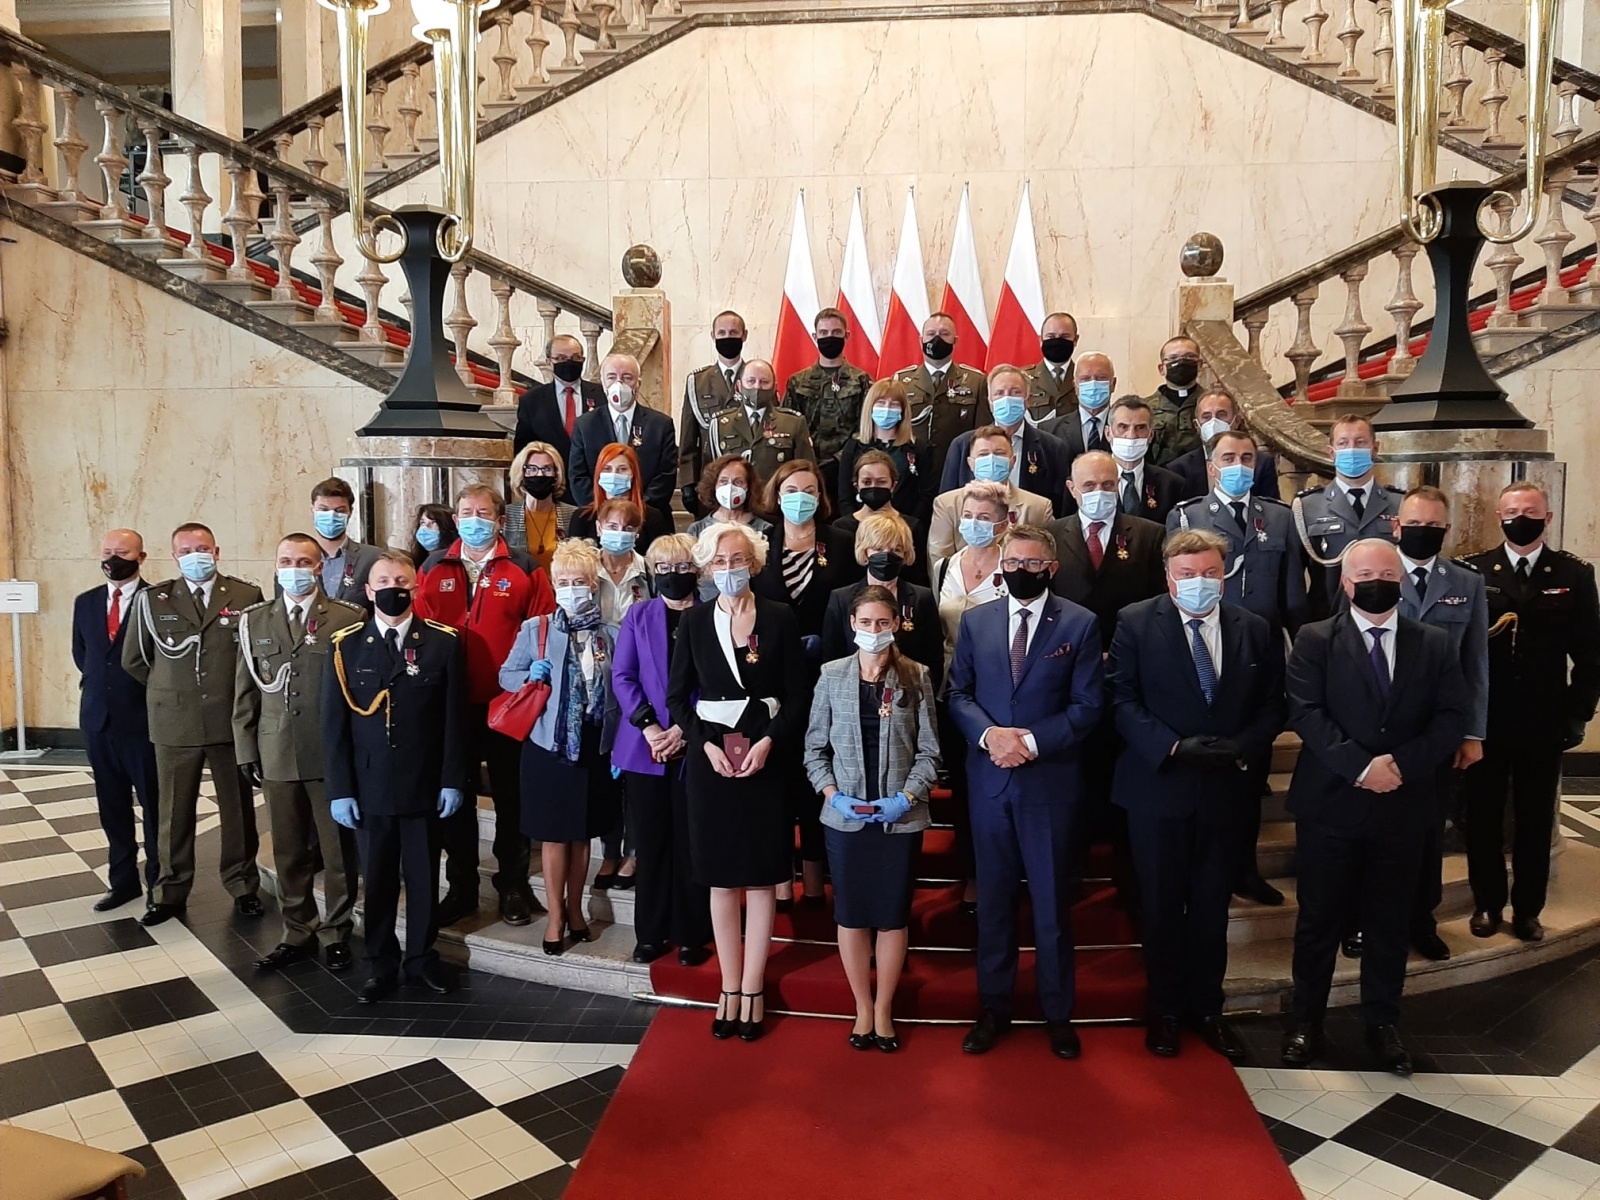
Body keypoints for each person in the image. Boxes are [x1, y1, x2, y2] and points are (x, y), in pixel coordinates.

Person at [1281, 539, 1470, 1076]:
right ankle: (1306, 1020)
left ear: (1403, 579)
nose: (1376, 581)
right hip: (1332, 803)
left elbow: (1451, 716)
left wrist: (1401, 766)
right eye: (1364, 573)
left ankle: (1382, 1023)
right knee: (1318, 920)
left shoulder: (1432, 642)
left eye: (1386, 572)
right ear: (1345, 581)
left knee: (1389, 921)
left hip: (1403, 804)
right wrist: (1362, 767)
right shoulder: (1315, 640)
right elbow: (1307, 712)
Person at [1109, 530, 1287, 1060]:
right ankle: (1164, 1010)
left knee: (1212, 906)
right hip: (1158, 789)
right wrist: (1173, 746)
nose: (1199, 583)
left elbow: (1275, 705)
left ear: (1224, 574)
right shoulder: (1136, 622)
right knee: (1161, 906)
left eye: (1209, 573)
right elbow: (1120, 697)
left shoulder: (1254, 628)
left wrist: (1239, 747)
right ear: (1169, 577)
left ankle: (1208, 1009)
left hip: (1227, 788)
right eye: (1188, 575)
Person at [948, 524, 1103, 1060]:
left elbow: (1087, 707)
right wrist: (992, 737)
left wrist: (1030, 743)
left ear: (1051, 569)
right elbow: (959, 693)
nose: (1021, 571)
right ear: (1001, 565)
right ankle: (993, 1009)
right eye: (1013, 562)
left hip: (1050, 786)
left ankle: (1058, 1013)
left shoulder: (1080, 624)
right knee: (992, 903)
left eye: (1033, 564)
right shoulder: (976, 621)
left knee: (1052, 906)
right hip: (990, 782)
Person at [667, 522, 810, 1042]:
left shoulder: (778, 617)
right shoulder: (695, 622)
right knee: (722, 877)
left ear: (754, 561)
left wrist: (770, 740)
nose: (729, 570)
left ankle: (753, 984)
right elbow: (677, 698)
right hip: (712, 761)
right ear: (707, 569)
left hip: (764, 759)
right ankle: (728, 984)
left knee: (761, 874)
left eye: (738, 560)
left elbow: (798, 694)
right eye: (720, 562)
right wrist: (703, 743)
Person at [1168, 430, 1306, 908]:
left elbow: (1293, 598)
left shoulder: (1281, 518)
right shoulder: (1187, 515)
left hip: (1257, 653)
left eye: (1247, 457)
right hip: (1204, 648)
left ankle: (1244, 871)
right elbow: (1175, 584)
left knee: (1251, 775)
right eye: (1228, 457)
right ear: (1211, 466)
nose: (1238, 464)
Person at [324, 552, 469, 1001]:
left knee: (424, 876)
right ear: (368, 591)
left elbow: (454, 721)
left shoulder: (443, 643)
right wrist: (341, 790)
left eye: (401, 580)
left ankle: (422, 958)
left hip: (423, 783)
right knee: (379, 877)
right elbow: (334, 726)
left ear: (415, 587)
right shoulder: (345, 644)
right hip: (368, 787)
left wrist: (452, 780)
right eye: (383, 580)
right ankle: (380, 962)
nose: (393, 588)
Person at [805, 586, 941, 1052]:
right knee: (851, 915)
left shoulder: (915, 676)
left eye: (883, 623)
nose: (874, 631)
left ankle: (884, 1008)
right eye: (866, 623)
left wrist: (906, 797)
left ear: (897, 625)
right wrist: (832, 794)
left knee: (890, 915)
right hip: (845, 818)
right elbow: (813, 750)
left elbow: (929, 751)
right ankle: (861, 1005)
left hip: (898, 819)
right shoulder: (830, 675)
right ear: (853, 625)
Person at [1462, 482, 1600, 942]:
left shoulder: (1574, 574)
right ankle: (1487, 904)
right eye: (1513, 510)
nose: (1521, 517)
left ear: (1548, 517)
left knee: (1535, 820)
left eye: (1530, 510)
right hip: (1487, 720)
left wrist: (1577, 713)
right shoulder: (1474, 571)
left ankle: (1527, 910)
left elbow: (1590, 653)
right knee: (1481, 816)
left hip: (1544, 721)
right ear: (1498, 516)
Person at [415, 484, 555, 928]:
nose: (474, 519)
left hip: (506, 703)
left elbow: (542, 631)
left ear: (499, 519)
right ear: (456, 519)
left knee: (511, 799)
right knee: (455, 796)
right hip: (451, 704)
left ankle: (512, 884)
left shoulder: (524, 567)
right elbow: (418, 629)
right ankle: (462, 887)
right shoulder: (434, 566)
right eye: (466, 512)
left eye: (484, 512)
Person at [233, 534, 365, 973]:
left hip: (329, 755)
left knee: (338, 850)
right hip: (276, 751)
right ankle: (298, 930)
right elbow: (245, 693)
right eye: (286, 560)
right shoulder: (255, 621)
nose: (295, 568)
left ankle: (337, 930)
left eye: (304, 561)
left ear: (318, 568)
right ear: (275, 566)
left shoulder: (348, 618)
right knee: (288, 851)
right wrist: (245, 749)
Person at [121, 523, 264, 927]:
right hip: (175, 722)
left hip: (229, 722)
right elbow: (136, 659)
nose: (195, 555)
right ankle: (168, 891)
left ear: (216, 551)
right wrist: (172, 690)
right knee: (172, 812)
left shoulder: (245, 595)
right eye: (186, 550)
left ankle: (242, 884)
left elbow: (253, 658)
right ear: (174, 555)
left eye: (202, 548)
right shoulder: (153, 599)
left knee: (237, 811)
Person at [1048, 451, 1168, 905]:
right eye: (1090, 485)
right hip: (1068, 678)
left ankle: (1127, 870)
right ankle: (1072, 865)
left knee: (1123, 773)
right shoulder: (1052, 536)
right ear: (1072, 488)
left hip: (1127, 676)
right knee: (1074, 775)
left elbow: (1159, 609)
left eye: (1108, 483)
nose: (1099, 492)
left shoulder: (1150, 534)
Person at [1376, 486, 1488, 963]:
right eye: (1414, 524)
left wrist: (1473, 732)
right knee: (1372, 832)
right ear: (1396, 526)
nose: (1423, 532)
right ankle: (1364, 920)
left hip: (1437, 734)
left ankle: (1422, 919)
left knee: (1426, 830)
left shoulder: (1467, 582)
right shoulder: (1373, 572)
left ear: (1446, 529)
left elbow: (1476, 663)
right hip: (1378, 729)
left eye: (1433, 526)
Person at [498, 541, 622, 955]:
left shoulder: (610, 634)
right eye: (563, 582)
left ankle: (575, 909)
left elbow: (618, 694)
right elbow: (506, 675)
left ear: (593, 585)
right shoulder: (537, 629)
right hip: (548, 745)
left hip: (592, 745)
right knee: (554, 837)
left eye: (579, 582)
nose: (571, 589)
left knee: (582, 835)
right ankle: (554, 917)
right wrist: (527, 676)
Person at [751, 459, 857, 903]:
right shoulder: (760, 541)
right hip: (772, 677)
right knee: (777, 781)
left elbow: (853, 604)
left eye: (809, 489)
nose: (800, 497)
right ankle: (780, 880)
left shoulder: (841, 542)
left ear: (821, 495)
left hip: (826, 673)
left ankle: (815, 880)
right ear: (777, 494)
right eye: (791, 489)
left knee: (818, 776)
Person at [610, 533, 713, 966]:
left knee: (693, 843)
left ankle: (693, 932)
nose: (674, 576)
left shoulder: (713, 616)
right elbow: (623, 676)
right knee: (650, 843)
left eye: (683, 567)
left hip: (697, 743)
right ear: (653, 573)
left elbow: (718, 684)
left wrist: (684, 732)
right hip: (644, 746)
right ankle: (651, 932)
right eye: (664, 569)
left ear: (699, 571)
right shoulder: (639, 614)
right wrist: (652, 728)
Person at [933, 482, 1011, 915]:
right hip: (950, 689)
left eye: (985, 517)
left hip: (997, 692)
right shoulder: (947, 564)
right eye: (970, 516)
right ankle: (972, 877)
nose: (975, 524)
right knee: (963, 789)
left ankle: (999, 874)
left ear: (1002, 522)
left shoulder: (1011, 564)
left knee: (994, 789)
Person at [73, 529, 161, 912]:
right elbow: (83, 654)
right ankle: (122, 882)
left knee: (155, 808)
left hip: (144, 722)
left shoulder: (158, 600)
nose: (113, 559)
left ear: (141, 557)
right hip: (99, 721)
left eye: (122, 552)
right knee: (112, 808)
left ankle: (160, 884)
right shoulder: (86, 602)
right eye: (107, 552)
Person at [1293, 414, 1403, 620]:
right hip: (1327, 620)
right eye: (1343, 443)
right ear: (1331, 453)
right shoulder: (1306, 507)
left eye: (1360, 442)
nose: (1352, 449)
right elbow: (1294, 579)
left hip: (1389, 618)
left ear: (1375, 449)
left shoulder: (1401, 505)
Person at [820, 511, 943, 693]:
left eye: (895, 550)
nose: (886, 556)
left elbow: (934, 660)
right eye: (878, 548)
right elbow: (831, 659)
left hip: (909, 696)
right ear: (865, 551)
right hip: (852, 696)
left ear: (905, 553)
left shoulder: (921, 598)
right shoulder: (842, 599)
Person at [940, 365, 1070, 515]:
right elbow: (947, 503)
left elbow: (1060, 507)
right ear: (989, 402)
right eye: (999, 393)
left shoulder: (1052, 447)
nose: (1007, 398)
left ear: (1028, 400)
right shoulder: (962, 445)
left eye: (1015, 392)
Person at [569, 352, 678, 528]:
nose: (619, 384)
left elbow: (666, 475)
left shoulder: (660, 424)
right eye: (611, 377)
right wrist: (607, 512)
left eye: (627, 377)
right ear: (603, 383)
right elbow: (578, 475)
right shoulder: (585, 425)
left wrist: (635, 510)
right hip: (599, 521)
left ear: (638, 383)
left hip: (649, 519)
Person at [784, 307, 874, 503]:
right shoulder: (798, 381)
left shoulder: (861, 380)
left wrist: (842, 459)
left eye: (836, 333)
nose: (829, 337)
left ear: (846, 335)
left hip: (849, 467)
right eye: (824, 333)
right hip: (807, 467)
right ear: (815, 336)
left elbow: (866, 427)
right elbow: (789, 425)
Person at [926, 425, 1055, 562]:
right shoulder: (946, 504)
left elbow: (1045, 557)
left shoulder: (1039, 507)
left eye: (999, 453)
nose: (991, 460)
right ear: (970, 463)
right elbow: (938, 557)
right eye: (983, 454)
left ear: (1013, 461)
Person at [892, 311, 988, 482]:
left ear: (955, 341)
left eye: (944, 334)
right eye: (931, 334)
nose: (937, 339)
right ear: (920, 339)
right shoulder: (901, 381)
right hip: (911, 475)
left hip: (957, 472)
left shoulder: (977, 381)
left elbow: (982, 434)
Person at [678, 310, 749, 516]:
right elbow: (688, 439)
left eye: (734, 333)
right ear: (713, 336)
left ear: (744, 335)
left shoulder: (756, 376)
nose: (728, 338)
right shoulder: (698, 381)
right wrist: (688, 483)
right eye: (722, 333)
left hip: (748, 480)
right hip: (710, 480)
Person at [834, 379, 936, 524]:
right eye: (881, 403)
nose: (887, 409)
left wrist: (909, 526)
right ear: (870, 407)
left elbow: (926, 496)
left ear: (903, 410)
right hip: (859, 528)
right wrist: (855, 526)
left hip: (904, 528)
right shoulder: (853, 448)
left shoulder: (920, 449)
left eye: (894, 404)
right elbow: (845, 497)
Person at [707, 358, 817, 482]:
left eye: (764, 382)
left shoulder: (793, 423)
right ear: (739, 387)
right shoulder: (720, 425)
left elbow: (806, 471)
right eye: (751, 381)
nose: (757, 387)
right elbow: (710, 475)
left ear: (774, 387)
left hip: (775, 499)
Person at [830, 449, 929, 586]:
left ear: (893, 485)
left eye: (881, 482)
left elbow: (918, 577)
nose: (874, 487)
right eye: (866, 482)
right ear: (856, 485)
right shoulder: (841, 528)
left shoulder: (912, 526)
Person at [1167, 389, 1280, 501]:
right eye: (1206, 417)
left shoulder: (1262, 464)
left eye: (1221, 415)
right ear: (1197, 425)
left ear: (1236, 421)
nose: (1214, 422)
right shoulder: (1179, 470)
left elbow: (1271, 511)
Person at [512, 333, 603, 463]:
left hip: (592, 477)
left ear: (583, 360)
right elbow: (523, 449)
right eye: (561, 358)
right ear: (549, 362)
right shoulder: (531, 401)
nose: (569, 362)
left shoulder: (602, 395)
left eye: (575, 357)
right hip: (550, 476)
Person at [567, 442, 674, 549]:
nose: (614, 474)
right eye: (607, 469)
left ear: (633, 474)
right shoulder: (582, 517)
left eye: (622, 469)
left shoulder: (653, 517)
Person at [1096, 396, 1186, 523]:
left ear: (1151, 435)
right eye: (1123, 427)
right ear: (1108, 433)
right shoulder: (1088, 481)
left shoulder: (1172, 485)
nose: (1131, 435)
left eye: (1140, 428)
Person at [306, 478, 383, 606]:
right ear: (312, 510)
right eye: (324, 510)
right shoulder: (296, 559)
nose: (331, 516)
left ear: (350, 512)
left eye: (339, 511)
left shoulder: (373, 558)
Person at [503, 442, 577, 569]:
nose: (540, 475)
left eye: (547, 469)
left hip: (560, 586)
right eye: (532, 469)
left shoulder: (573, 515)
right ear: (521, 473)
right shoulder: (506, 515)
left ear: (556, 474)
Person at [1038, 352, 1117, 459]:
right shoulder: (1050, 430)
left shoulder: (1127, 428)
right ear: (1075, 386)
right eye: (1085, 379)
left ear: (1113, 384)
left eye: (1101, 378)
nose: (1093, 384)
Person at [1146, 336, 1205, 466]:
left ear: (1199, 364)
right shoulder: (1145, 408)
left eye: (1189, 357)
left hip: (1203, 479)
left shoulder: (1213, 405)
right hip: (1160, 480)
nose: (1181, 362)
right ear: (1162, 368)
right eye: (1173, 358)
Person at [686, 454, 772, 543]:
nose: (730, 487)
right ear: (713, 485)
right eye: (723, 481)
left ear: (749, 487)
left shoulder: (764, 529)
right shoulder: (697, 530)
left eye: (738, 482)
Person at [1021, 312, 1079, 422]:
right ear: (1040, 340)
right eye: (1051, 336)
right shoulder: (1023, 379)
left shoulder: (1084, 378)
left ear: (1075, 340)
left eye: (1064, 337)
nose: (1057, 341)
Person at [409, 504, 457, 570]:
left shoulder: (456, 561)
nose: (426, 527)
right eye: (423, 522)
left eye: (433, 522)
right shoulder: (413, 562)